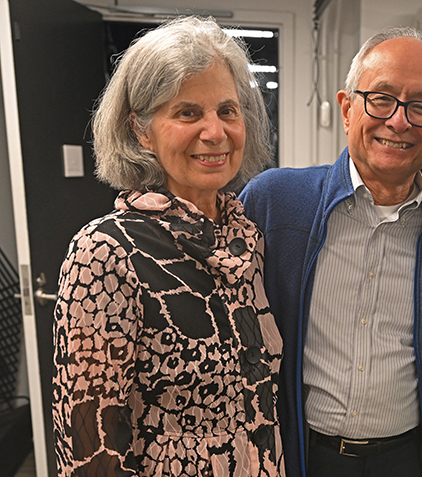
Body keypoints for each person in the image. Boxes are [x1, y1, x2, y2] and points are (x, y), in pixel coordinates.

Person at [52, 17, 284, 477]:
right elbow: (88, 445)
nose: (215, 132)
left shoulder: (246, 238)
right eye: (188, 113)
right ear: (141, 131)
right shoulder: (105, 253)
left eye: (227, 110)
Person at [240, 27, 422, 477]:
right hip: (301, 453)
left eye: (421, 106)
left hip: (408, 461)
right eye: (380, 98)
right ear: (346, 107)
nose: (398, 121)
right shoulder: (275, 203)